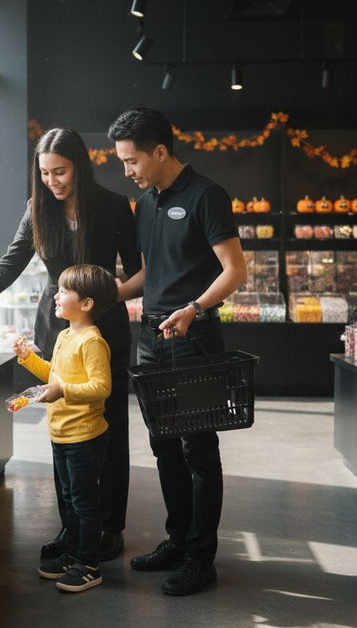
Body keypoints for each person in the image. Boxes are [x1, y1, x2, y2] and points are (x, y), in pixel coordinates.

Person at [0, 128, 140, 562]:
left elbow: (139, 272)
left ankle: (110, 527)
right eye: (44, 173)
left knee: (110, 428)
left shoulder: (114, 206)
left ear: (79, 165)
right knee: (64, 427)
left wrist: (107, 297)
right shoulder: (37, 208)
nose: (52, 181)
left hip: (105, 328)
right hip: (56, 326)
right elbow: (7, 267)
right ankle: (72, 526)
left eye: (59, 171)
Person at [109, 107, 247, 596]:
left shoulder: (207, 196)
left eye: (131, 161)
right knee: (163, 443)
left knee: (198, 449)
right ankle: (177, 539)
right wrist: (112, 293)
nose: (127, 171)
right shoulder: (145, 205)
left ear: (160, 151)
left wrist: (194, 306)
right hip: (151, 337)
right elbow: (151, 275)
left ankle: (200, 558)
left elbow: (234, 271)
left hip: (194, 336)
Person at [14, 264, 117, 593]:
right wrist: (29, 358)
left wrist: (63, 391)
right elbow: (54, 377)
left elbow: (102, 387)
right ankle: (73, 554)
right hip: (61, 433)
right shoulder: (63, 336)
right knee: (71, 499)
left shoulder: (92, 342)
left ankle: (89, 564)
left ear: (86, 304)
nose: (55, 295)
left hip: (85, 436)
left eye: (63, 291)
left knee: (85, 502)